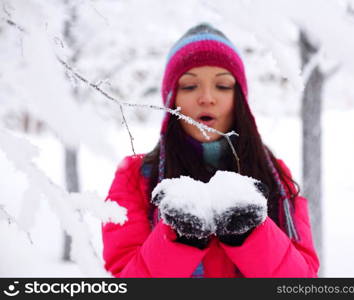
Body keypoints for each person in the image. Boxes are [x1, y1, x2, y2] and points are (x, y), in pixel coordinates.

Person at [101, 23, 319, 278]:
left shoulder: (274, 173)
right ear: (172, 99)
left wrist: (252, 234)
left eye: (223, 86)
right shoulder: (134, 177)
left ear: (239, 98)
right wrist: (178, 239)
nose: (206, 97)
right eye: (189, 86)